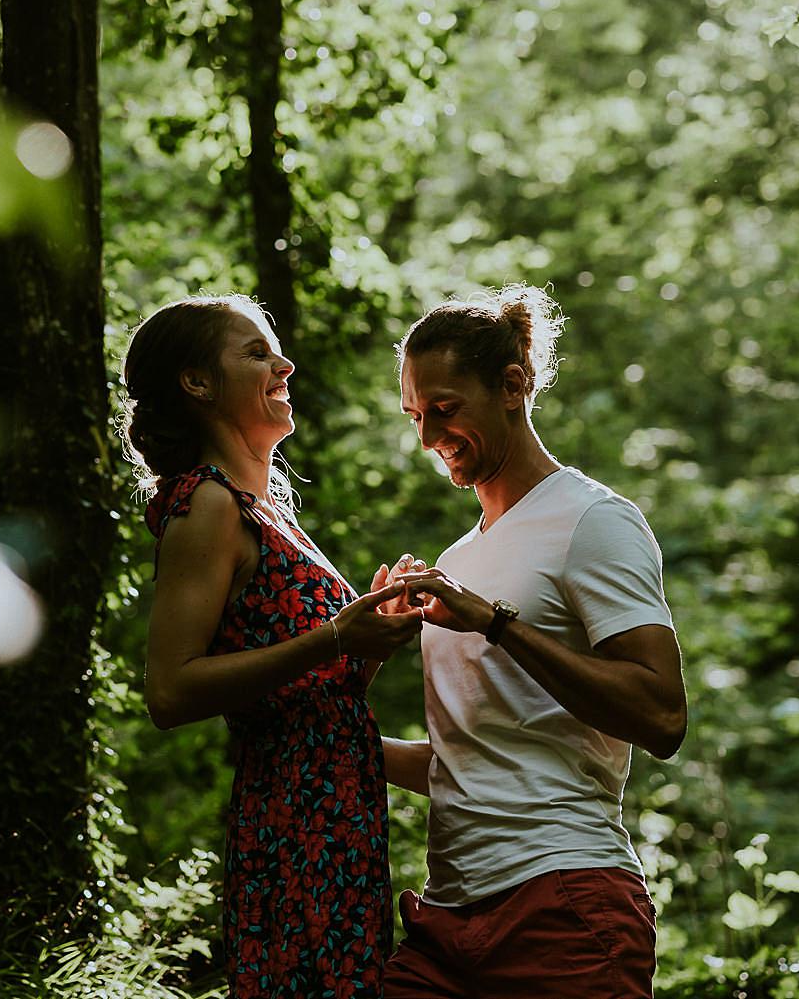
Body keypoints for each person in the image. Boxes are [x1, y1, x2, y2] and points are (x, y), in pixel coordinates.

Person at [381, 285, 688, 999]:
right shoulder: (456, 560)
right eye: (416, 416)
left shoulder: (593, 520)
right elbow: (471, 759)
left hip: (566, 904)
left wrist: (498, 622)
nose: (428, 436)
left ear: (513, 385)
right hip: (445, 923)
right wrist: (332, 734)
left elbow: (662, 715)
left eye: (445, 409)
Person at [119, 294, 423, 999]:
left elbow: (311, 689)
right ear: (197, 382)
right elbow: (169, 689)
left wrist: (372, 635)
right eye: (256, 352)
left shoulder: (269, 511)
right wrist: (337, 634)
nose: (284, 363)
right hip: (295, 818)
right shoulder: (208, 504)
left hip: (342, 808)